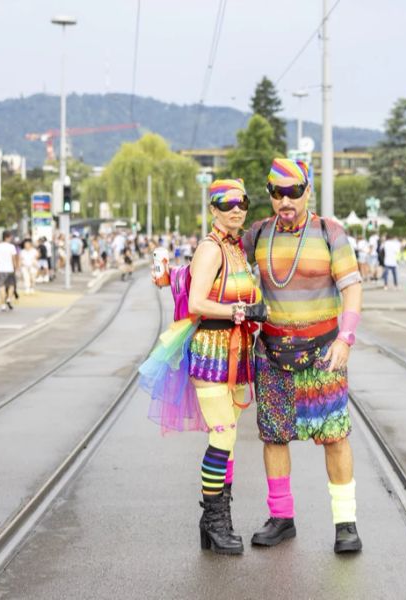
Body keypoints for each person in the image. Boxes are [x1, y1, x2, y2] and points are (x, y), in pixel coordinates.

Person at [242, 158, 364, 554]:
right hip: (273, 354)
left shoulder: (330, 232)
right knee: (274, 437)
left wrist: (345, 339)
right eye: (276, 193)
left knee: (334, 436)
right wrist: (176, 275)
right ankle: (282, 518)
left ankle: (345, 524)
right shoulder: (258, 234)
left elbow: (352, 288)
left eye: (293, 191)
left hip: (324, 353)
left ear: (307, 190)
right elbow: (222, 265)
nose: (285, 201)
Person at [140, 179, 263, 556]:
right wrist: (240, 311)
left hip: (238, 354)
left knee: (227, 441)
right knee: (222, 436)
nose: (236, 209)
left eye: (241, 202)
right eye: (226, 204)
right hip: (211, 354)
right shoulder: (211, 249)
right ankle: (214, 520)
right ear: (213, 209)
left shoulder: (236, 248)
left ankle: (214, 524)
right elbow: (196, 302)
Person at [0, 231, 18, 312]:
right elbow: (13, 258)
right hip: (10, 269)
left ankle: (3, 304)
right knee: (11, 285)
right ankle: (9, 299)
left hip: (0, 269)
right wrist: (15, 267)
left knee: (2, 287)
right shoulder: (11, 247)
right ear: (8, 237)